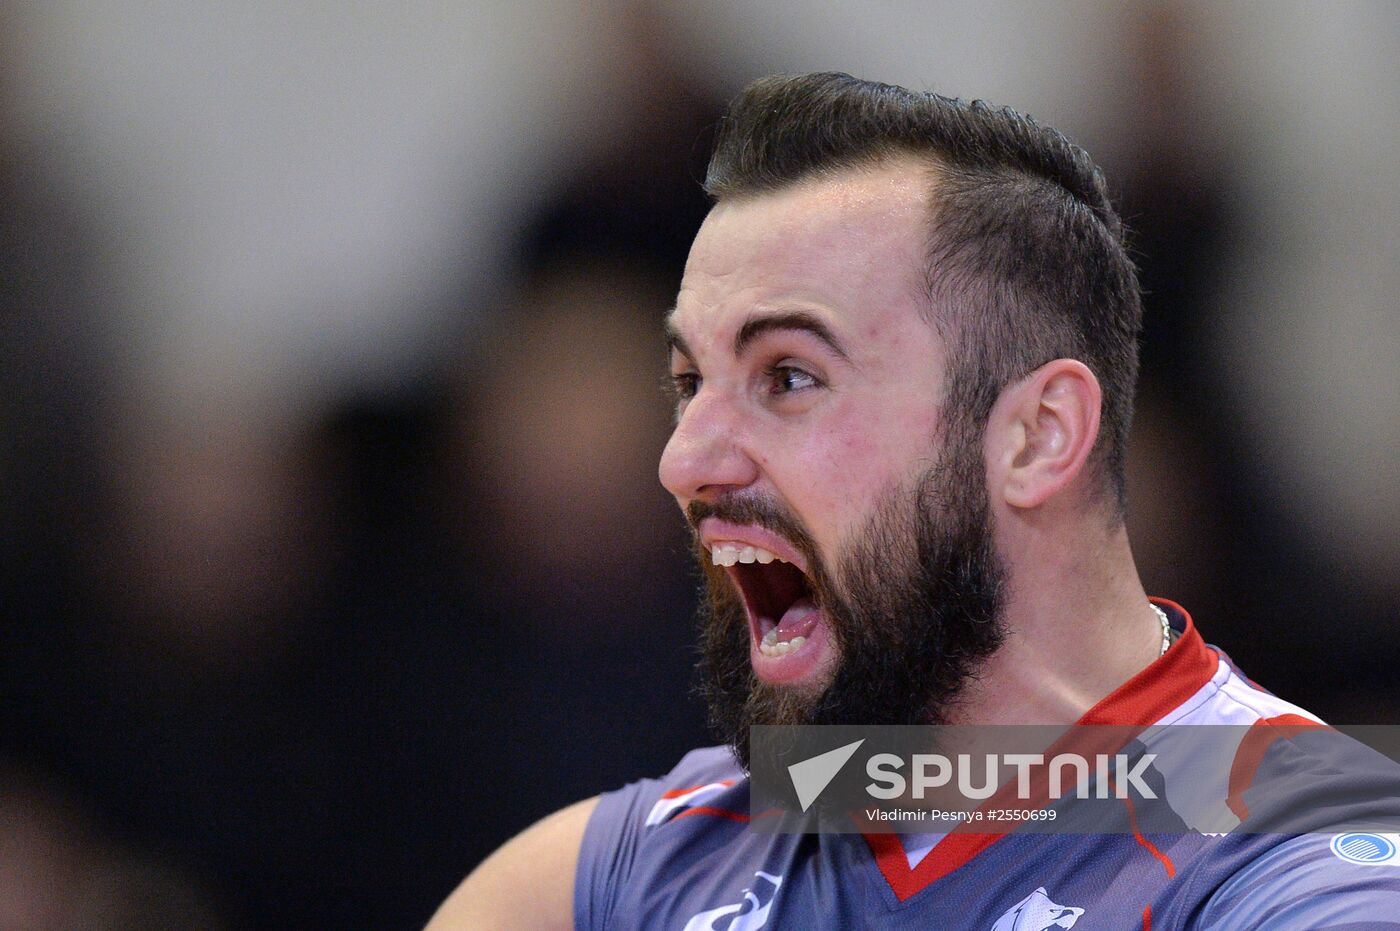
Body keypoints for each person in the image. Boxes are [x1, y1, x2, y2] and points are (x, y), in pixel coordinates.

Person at [427, 73, 1400, 930]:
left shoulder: (1301, 845)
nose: (683, 461)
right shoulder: (629, 870)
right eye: (690, 385)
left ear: (1036, 435)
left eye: (788, 377)